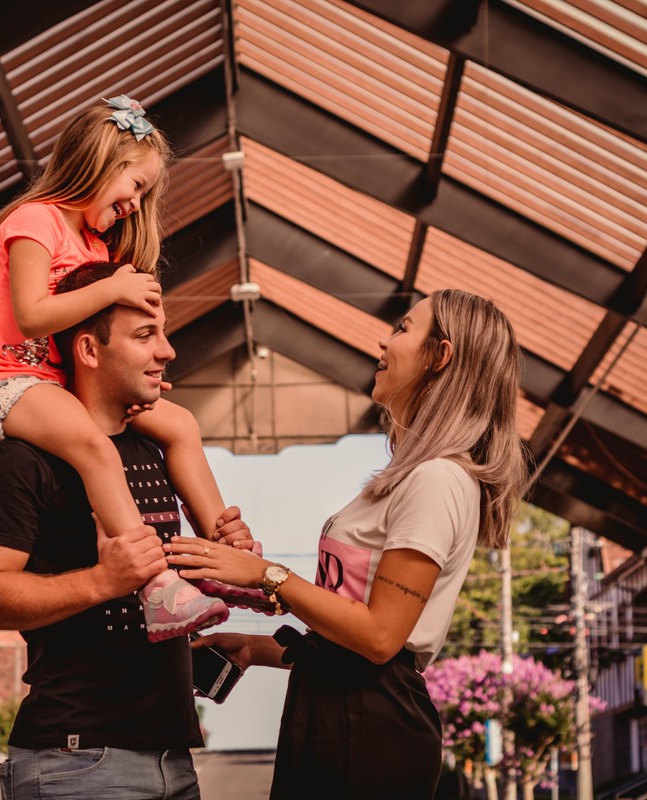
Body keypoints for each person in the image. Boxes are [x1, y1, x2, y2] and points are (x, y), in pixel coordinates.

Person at [164, 289, 530, 800]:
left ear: (440, 356)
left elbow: (381, 638)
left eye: (403, 329)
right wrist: (254, 648)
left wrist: (265, 574)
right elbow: (349, 639)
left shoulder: (438, 480)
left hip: (370, 725)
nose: (385, 339)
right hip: (339, 708)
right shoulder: (410, 478)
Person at [0, 94, 264, 639]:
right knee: (95, 448)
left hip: (52, 385)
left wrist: (134, 371)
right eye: (136, 186)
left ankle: (222, 556)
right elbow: (31, 317)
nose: (137, 203)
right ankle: (160, 589)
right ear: (99, 164)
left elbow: (93, 338)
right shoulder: (36, 221)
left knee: (180, 424)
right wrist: (116, 286)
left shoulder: (93, 244)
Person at [0, 261, 254, 799]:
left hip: (174, 755)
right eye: (145, 336)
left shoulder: (156, 450)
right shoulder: (22, 463)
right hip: (77, 759)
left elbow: (163, 587)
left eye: (163, 333)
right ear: (89, 351)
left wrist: (226, 558)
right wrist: (101, 580)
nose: (167, 352)